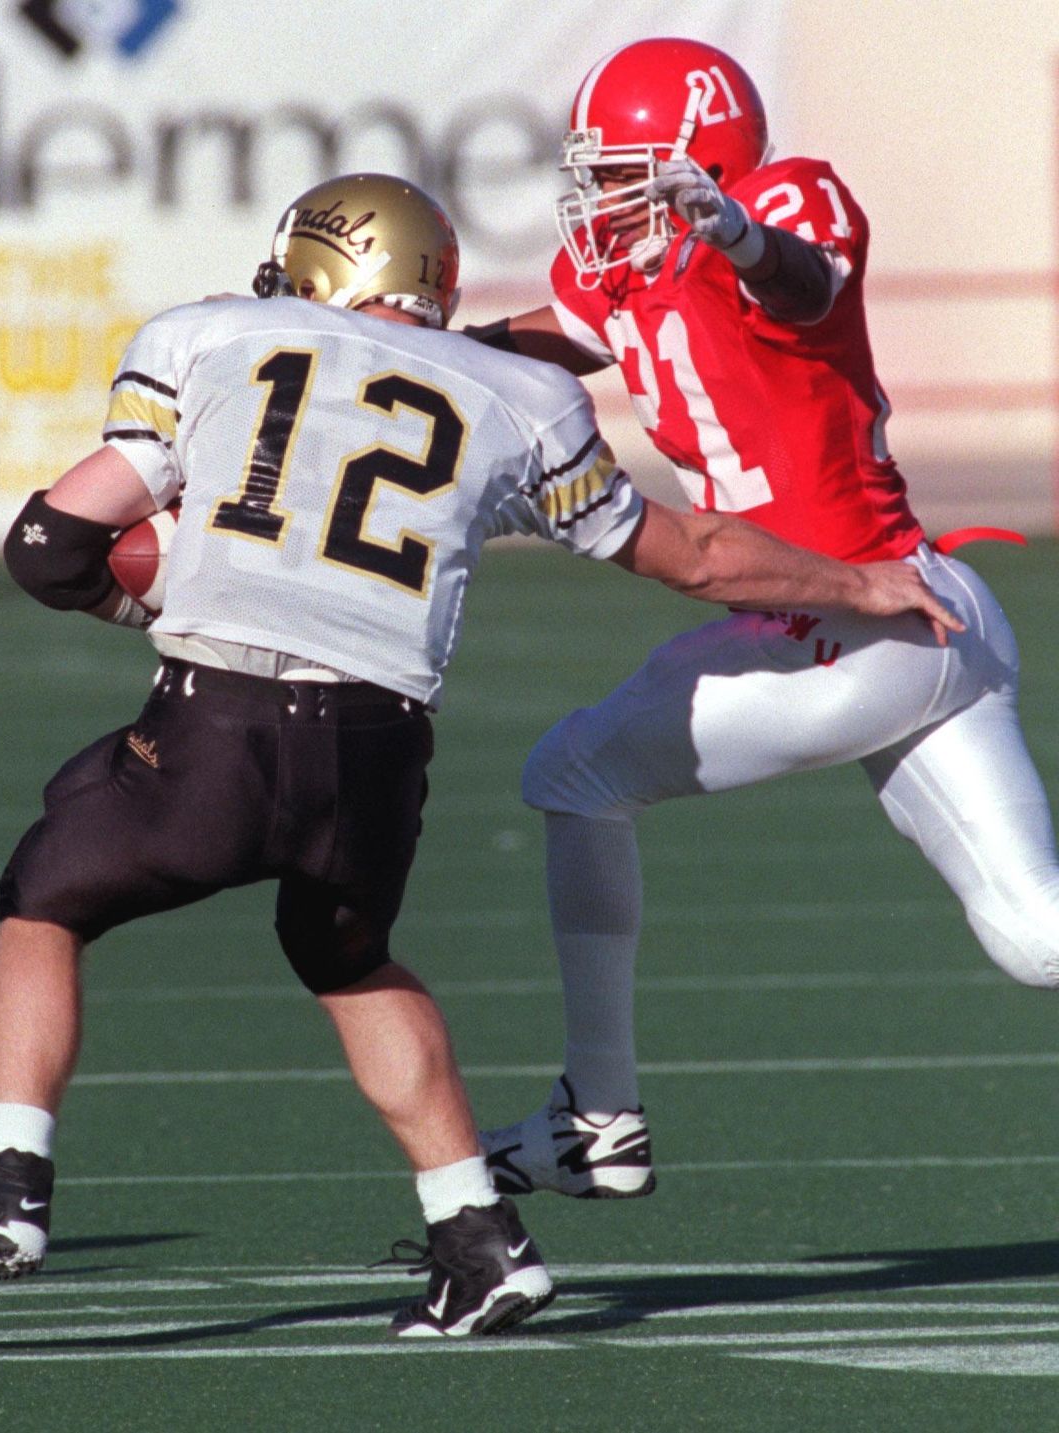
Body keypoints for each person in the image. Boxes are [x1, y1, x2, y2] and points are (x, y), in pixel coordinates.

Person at [0, 171, 954, 1337]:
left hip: (220, 715)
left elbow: (51, 545)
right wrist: (860, 582)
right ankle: (479, 1239)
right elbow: (689, 552)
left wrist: (156, 600)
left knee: (46, 893)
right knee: (346, 954)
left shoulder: (210, 335)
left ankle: (7, 1188)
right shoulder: (523, 395)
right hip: (378, 744)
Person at [472, 36, 1059, 1201]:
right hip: (931, 616)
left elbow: (801, 282)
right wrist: (397, 351)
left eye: (625, 171)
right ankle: (595, 1116)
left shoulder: (784, 203)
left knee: (573, 772)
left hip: (845, 621)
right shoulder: (626, 268)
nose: (598, 196)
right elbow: (534, 343)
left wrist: (732, 230)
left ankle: (599, 1112)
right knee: (1036, 935)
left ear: (699, 163)